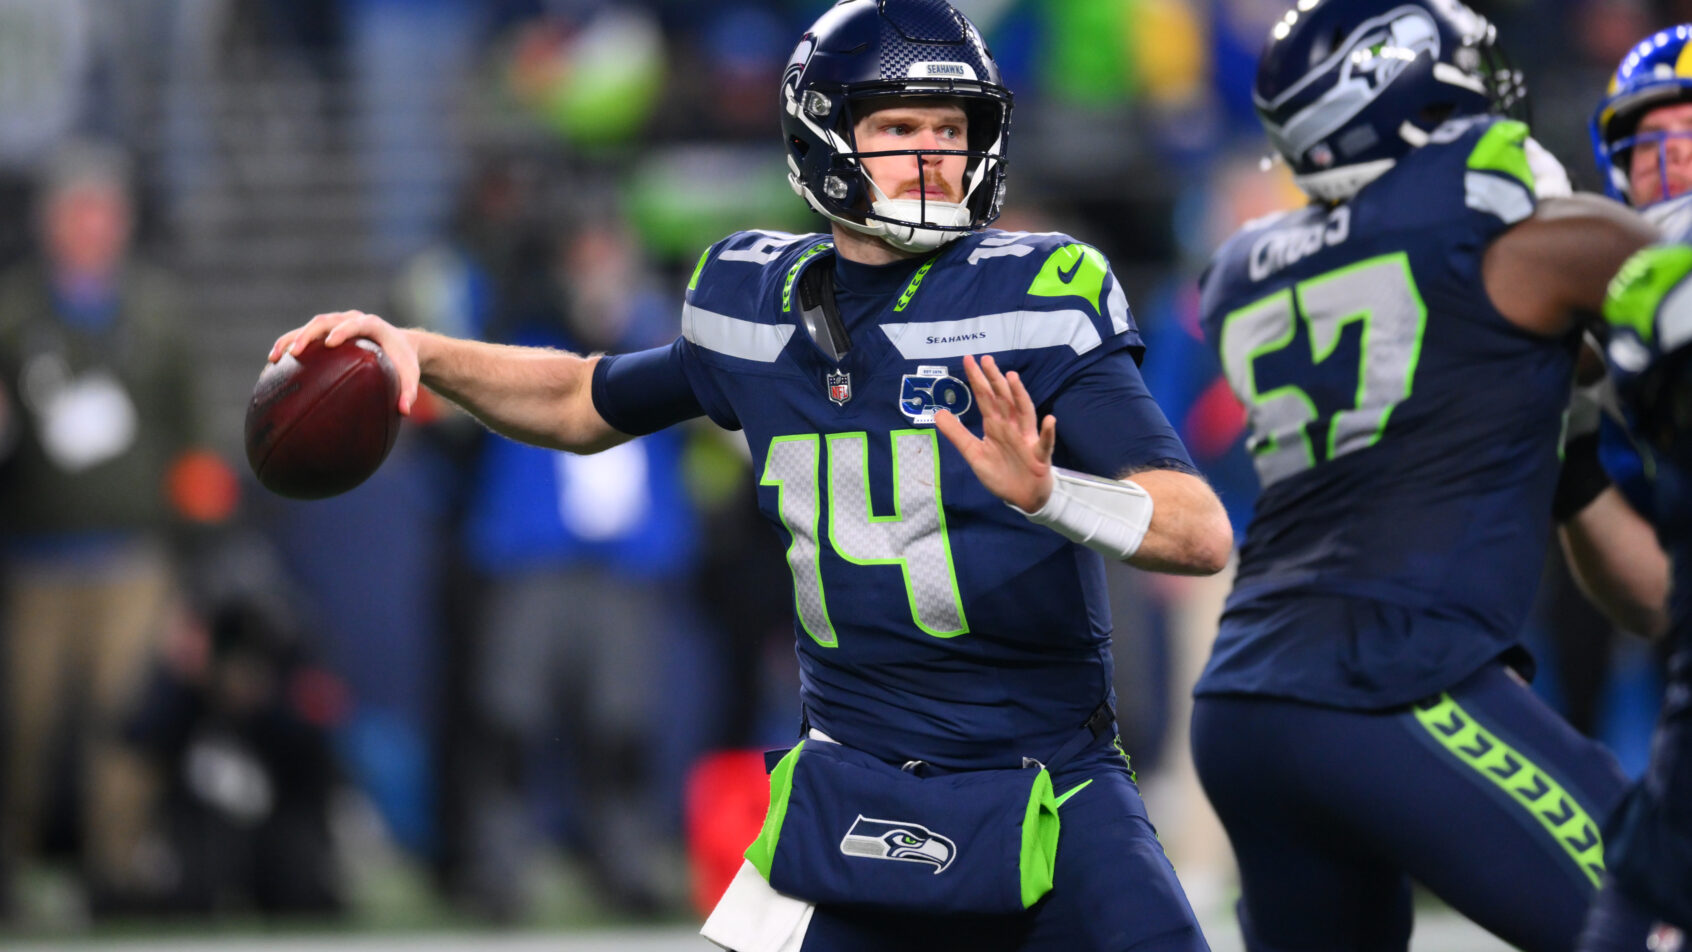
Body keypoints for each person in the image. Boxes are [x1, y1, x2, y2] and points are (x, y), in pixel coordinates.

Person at [270, 1, 1233, 948]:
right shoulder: (753, 304)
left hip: (1044, 776)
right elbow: (580, 399)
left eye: (952, 127)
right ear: (822, 139)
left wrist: (1050, 493)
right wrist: (418, 350)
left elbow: (1199, 530)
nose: (935, 154)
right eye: (900, 127)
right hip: (855, 780)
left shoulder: (1036, 298)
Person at [1188, 1, 1668, 949]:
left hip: (1246, 703)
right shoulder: (1532, 248)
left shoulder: (1248, 267)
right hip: (1393, 682)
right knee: (1668, 908)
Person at [0, 140, 213, 916]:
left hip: (133, 556)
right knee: (23, 720)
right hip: (33, 556)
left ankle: (113, 870)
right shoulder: (15, 310)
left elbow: (192, 444)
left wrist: (196, 561)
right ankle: (12, 869)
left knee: (123, 721)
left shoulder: (159, 312)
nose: (90, 227)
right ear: (51, 221)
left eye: (103, 211)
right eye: (76, 211)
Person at [1575, 25, 1692, 947]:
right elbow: (1657, 602)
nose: (1676, 166)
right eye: (1654, 147)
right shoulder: (1621, 319)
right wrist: (1569, 447)